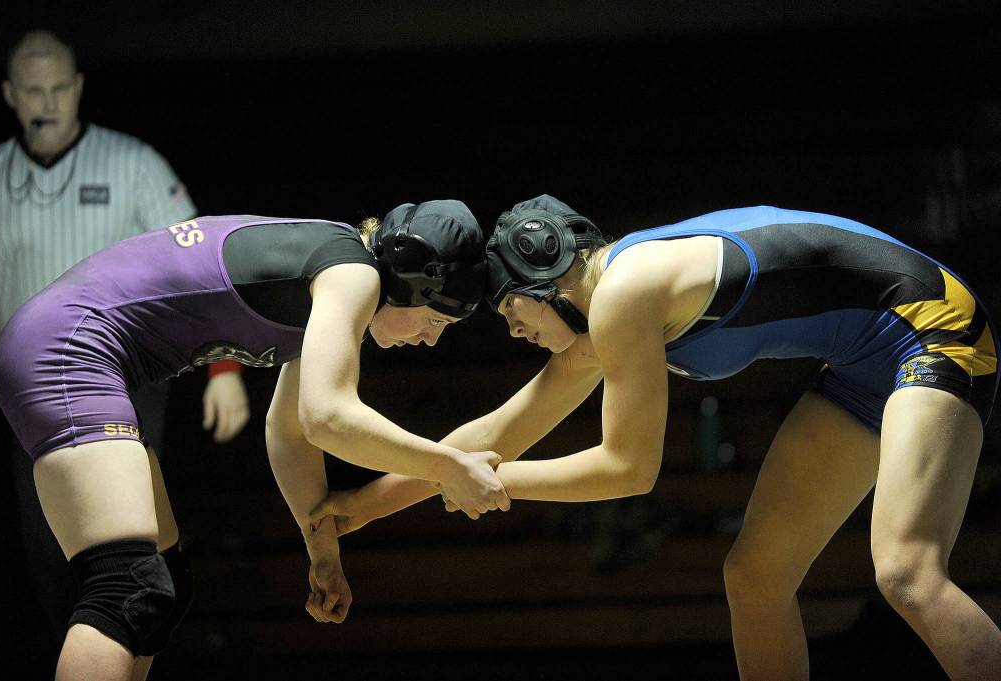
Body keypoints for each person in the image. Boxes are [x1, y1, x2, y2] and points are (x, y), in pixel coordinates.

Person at [313, 196, 1000, 680]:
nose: (514, 332)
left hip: (932, 329)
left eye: (508, 310)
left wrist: (493, 483)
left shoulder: (625, 292)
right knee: (755, 578)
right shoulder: (610, 303)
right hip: (866, 363)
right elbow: (496, 432)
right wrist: (364, 507)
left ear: (543, 273)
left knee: (907, 570)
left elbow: (628, 469)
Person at [0, 200, 510, 681]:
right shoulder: (353, 274)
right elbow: (327, 417)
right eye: (435, 320)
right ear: (410, 284)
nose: (430, 339)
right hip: (66, 350)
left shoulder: (332, 268)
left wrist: (322, 550)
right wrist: (447, 465)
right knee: (127, 586)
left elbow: (289, 430)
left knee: (162, 585)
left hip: (64, 347)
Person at [0, 29, 249, 659]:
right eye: (32, 91)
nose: (46, 103)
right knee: (46, 542)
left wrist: (226, 368)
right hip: (30, 388)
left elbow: (203, 262)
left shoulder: (133, 165)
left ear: (77, 89)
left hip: (127, 372)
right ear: (10, 96)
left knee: (131, 552)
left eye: (58, 88)